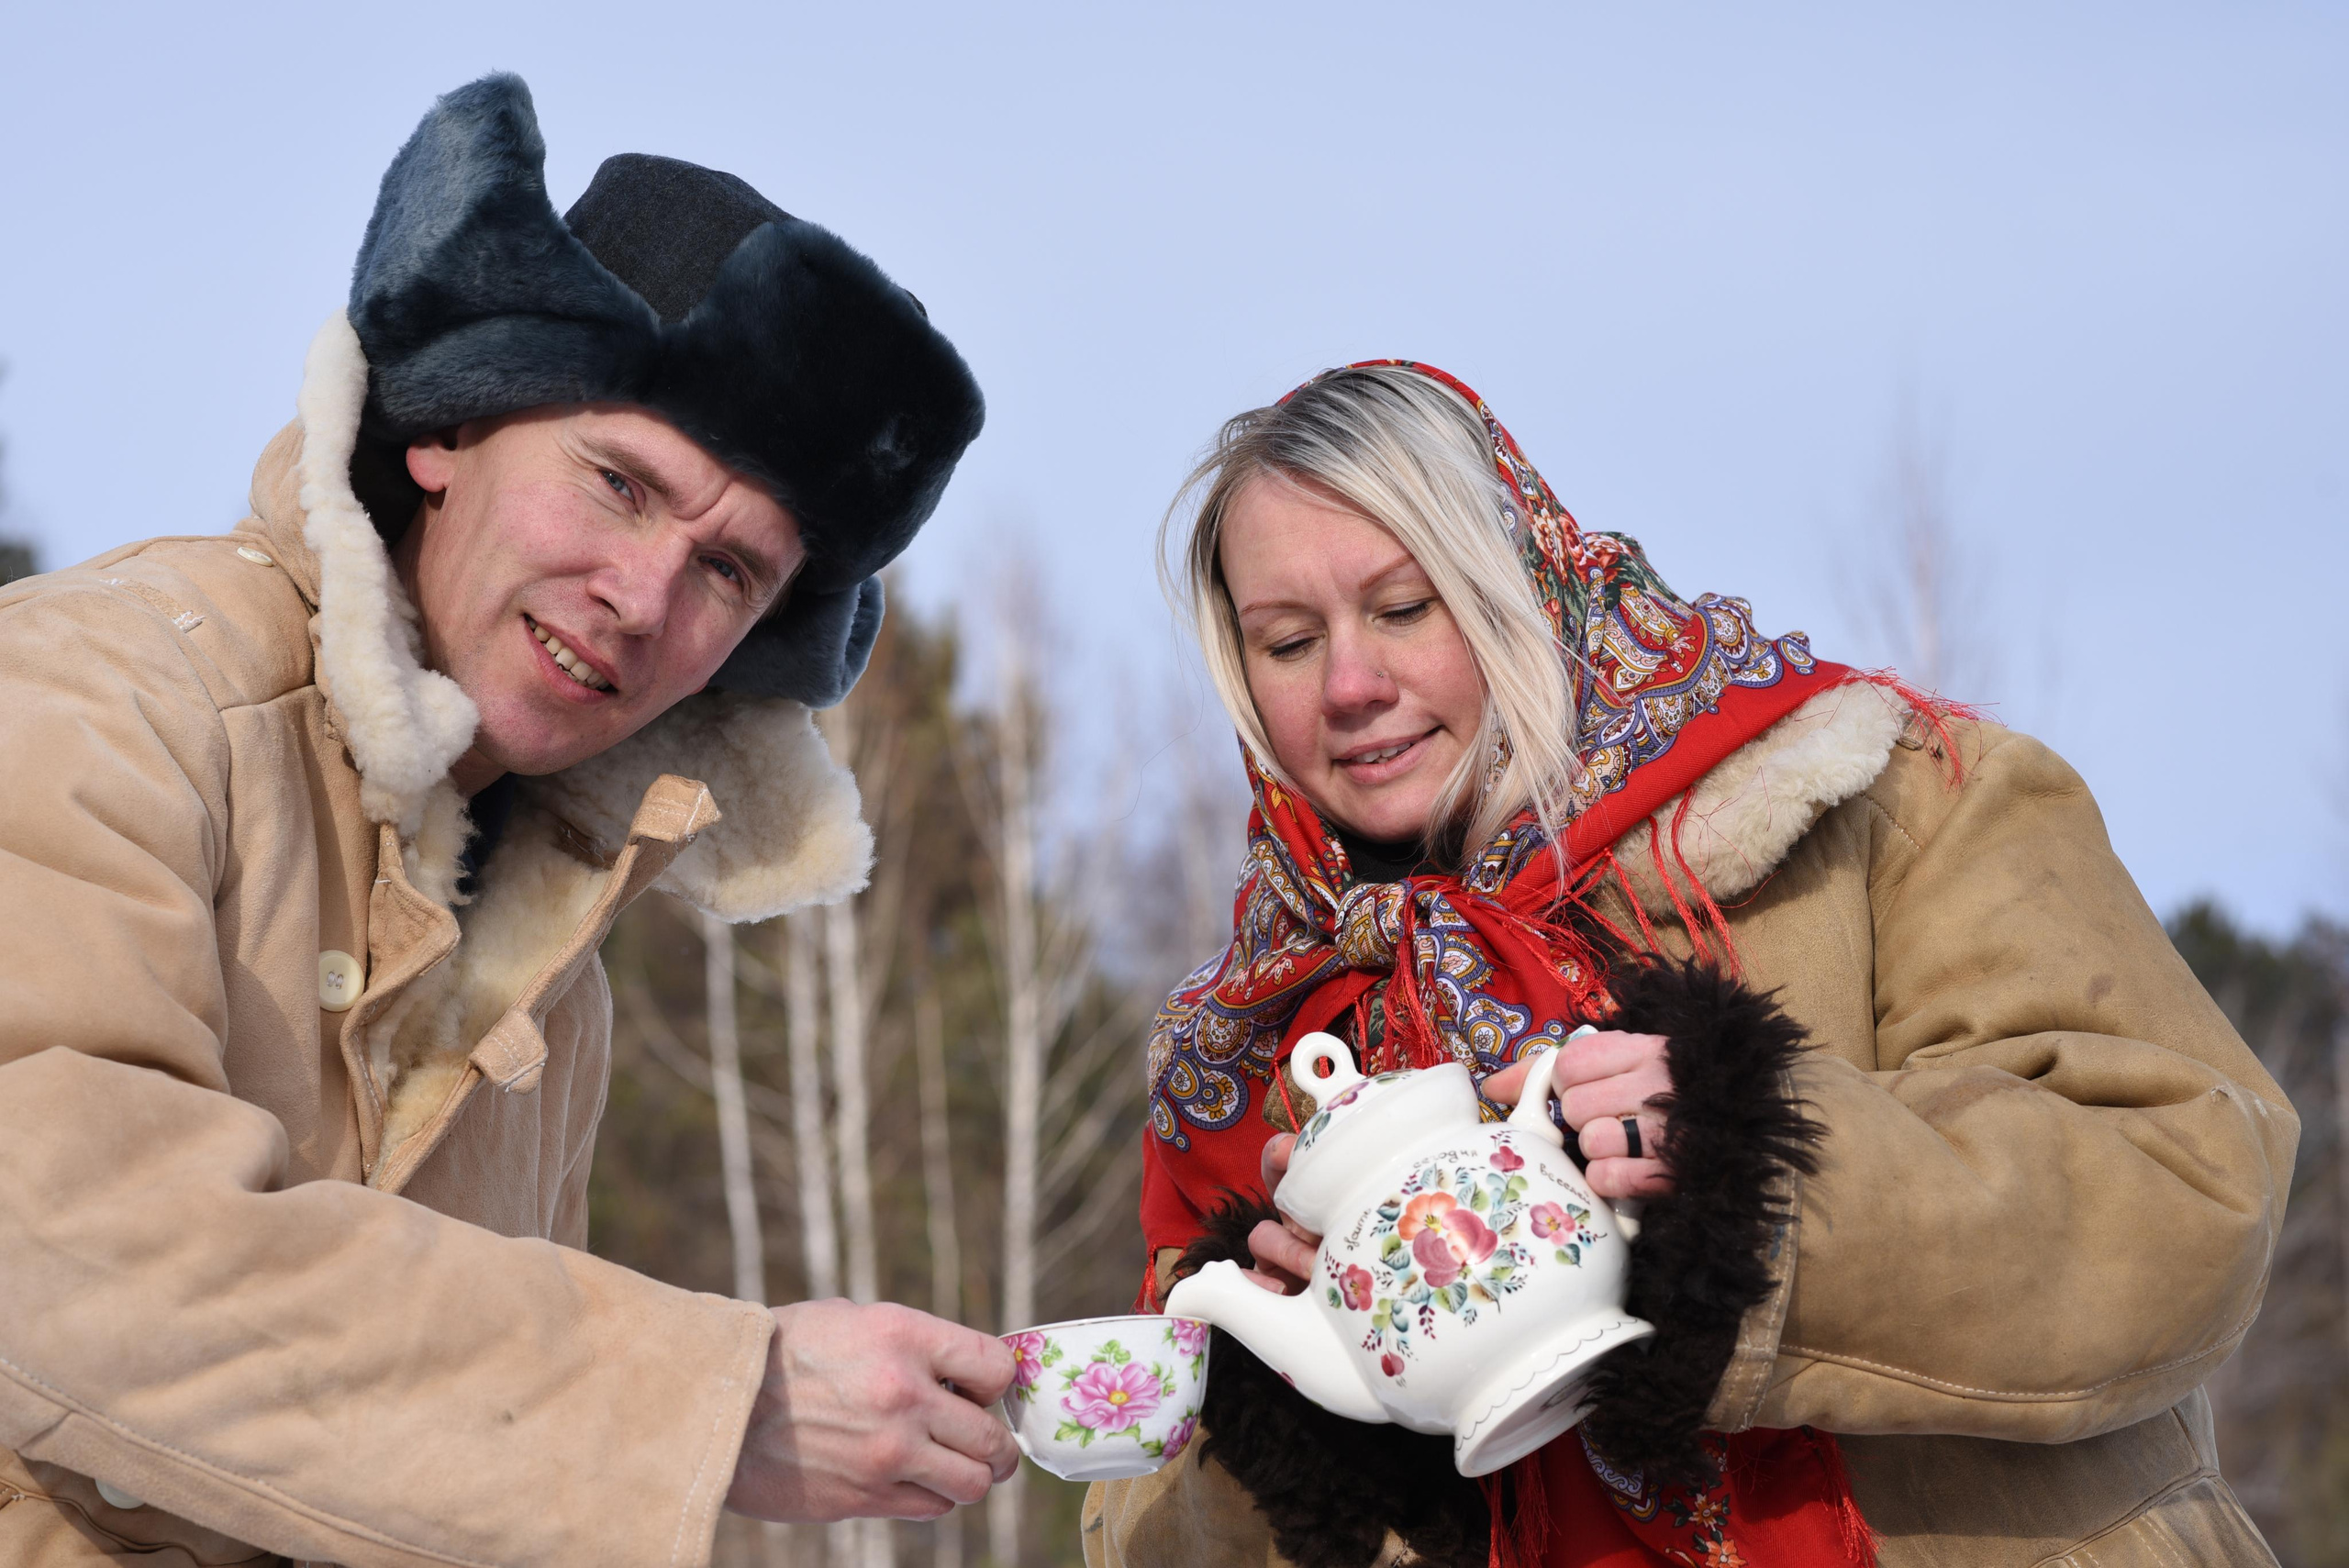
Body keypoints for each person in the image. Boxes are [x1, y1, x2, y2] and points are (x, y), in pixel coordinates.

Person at [0, 74, 1021, 1567]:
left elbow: (428, 1484)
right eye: (617, 482)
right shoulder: (99, 690)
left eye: (730, 572)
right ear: (449, 426)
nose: (645, 598)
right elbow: (71, 1253)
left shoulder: (560, 974)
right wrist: (714, 1402)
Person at [1083, 362, 2295, 1567]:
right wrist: (1308, 1418)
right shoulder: (1252, 1046)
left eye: (1404, 608)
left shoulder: (1863, 795)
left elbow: (2189, 1183)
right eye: (1289, 642)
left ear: (1520, 582)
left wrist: (1749, 1177)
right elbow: (1136, 1520)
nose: (1351, 685)